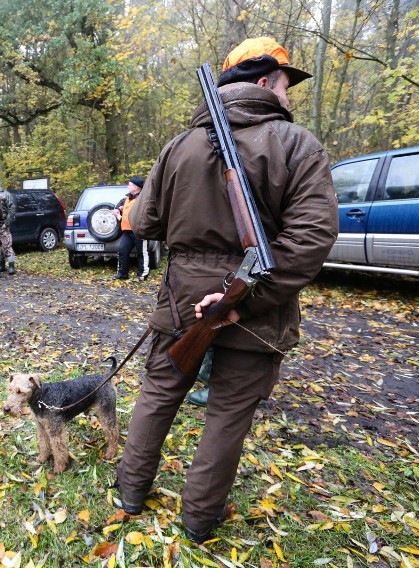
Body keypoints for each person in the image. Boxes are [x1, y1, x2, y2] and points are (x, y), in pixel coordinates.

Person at [116, 37, 339, 544]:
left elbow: (145, 220)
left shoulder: (178, 145)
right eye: (287, 83)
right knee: (227, 414)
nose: (289, 95)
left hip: (182, 298)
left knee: (158, 393)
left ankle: (131, 491)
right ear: (264, 82)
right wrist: (244, 298)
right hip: (257, 302)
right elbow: (311, 238)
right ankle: (199, 518)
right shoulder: (297, 144)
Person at [113, 176, 148, 281]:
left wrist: (120, 215)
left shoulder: (142, 199)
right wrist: (118, 210)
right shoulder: (126, 198)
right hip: (127, 231)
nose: (128, 186)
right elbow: (117, 207)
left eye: (130, 185)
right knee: (122, 250)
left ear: (137, 187)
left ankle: (142, 275)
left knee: (142, 252)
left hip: (139, 231)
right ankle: (122, 274)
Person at [0, 175, 17, 275]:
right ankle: (1, 265)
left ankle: (11, 266)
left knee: (7, 245)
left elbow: (12, 208)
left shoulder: (5, 194)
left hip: (3, 224)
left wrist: (7, 223)